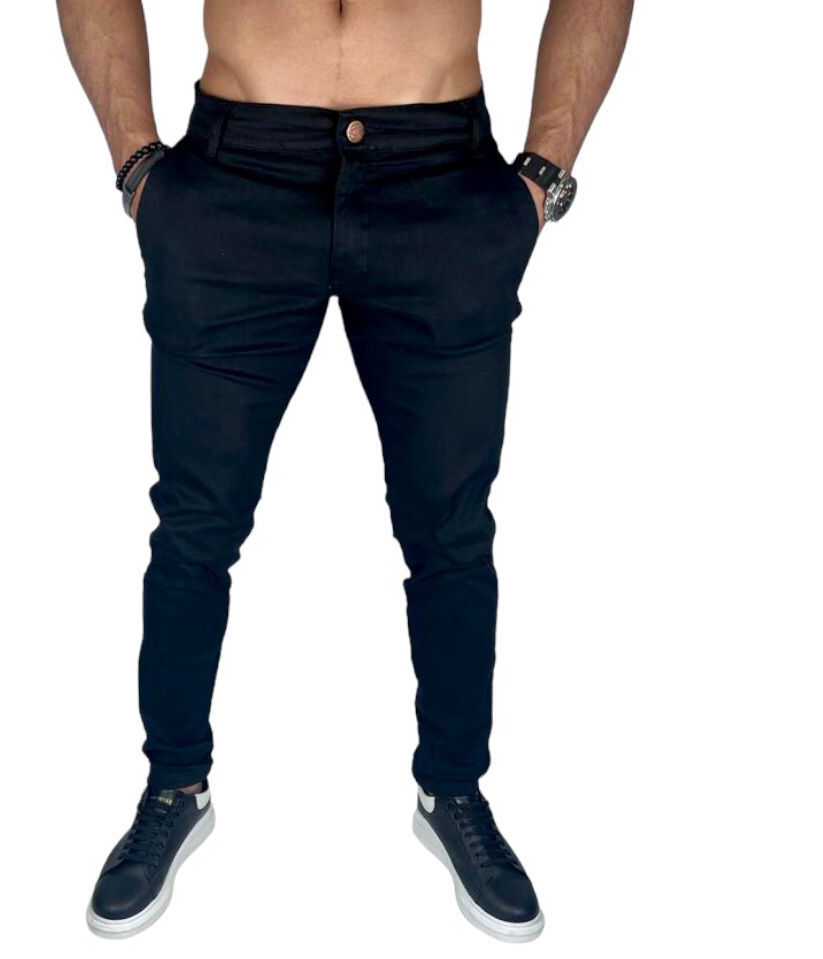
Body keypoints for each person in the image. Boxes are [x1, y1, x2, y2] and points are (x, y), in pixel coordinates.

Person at [57, 0, 632, 942]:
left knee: (450, 531)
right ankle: (173, 786)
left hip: (438, 176)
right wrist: (135, 163)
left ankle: (453, 791)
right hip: (238, 173)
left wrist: (542, 172)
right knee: (196, 524)